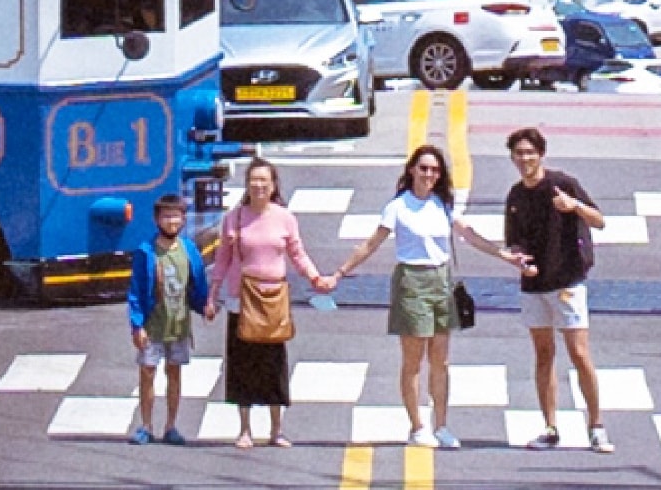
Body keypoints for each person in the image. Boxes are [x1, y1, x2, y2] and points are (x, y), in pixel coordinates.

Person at [333, 146, 531, 450]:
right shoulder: (398, 207)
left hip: (442, 281)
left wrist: (506, 256)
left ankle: (441, 425)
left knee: (441, 360)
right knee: (413, 361)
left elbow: (469, 234)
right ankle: (417, 426)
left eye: (435, 170)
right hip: (412, 281)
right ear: (412, 170)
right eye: (424, 168)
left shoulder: (442, 204)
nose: (429, 175)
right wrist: (340, 272)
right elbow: (371, 243)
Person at [502, 128, 616, 454]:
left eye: (529, 152)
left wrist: (573, 206)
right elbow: (513, 240)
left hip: (567, 280)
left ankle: (596, 426)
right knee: (543, 354)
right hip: (533, 284)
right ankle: (550, 427)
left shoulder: (562, 183)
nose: (524, 159)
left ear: (541, 154)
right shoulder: (516, 196)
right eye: (518, 153)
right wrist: (519, 258)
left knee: (579, 353)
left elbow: (599, 220)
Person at [210, 157, 334, 449]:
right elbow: (222, 259)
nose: (259, 186)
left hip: (274, 298)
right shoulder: (235, 217)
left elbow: (297, 253)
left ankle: (277, 429)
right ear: (247, 184)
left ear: (273, 184)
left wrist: (316, 278)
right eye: (254, 181)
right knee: (242, 363)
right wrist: (212, 294)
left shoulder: (285, 217)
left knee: (274, 362)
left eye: (264, 181)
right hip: (242, 299)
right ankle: (244, 429)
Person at [127, 194, 212, 446]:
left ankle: (171, 425)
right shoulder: (146, 252)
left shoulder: (189, 250)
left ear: (184, 218)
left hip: (179, 324)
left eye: (176, 216)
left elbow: (198, 284)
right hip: (153, 324)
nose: (171, 221)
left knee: (174, 373)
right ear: (156, 220)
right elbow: (135, 291)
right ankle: (146, 425)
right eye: (166, 216)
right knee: (147, 372)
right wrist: (137, 325)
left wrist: (205, 305)